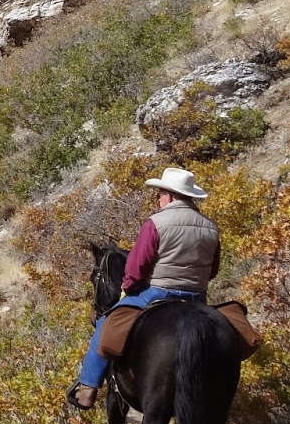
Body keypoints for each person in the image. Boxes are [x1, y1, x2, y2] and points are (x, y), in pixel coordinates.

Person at [68, 167, 220, 411]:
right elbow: (213, 270)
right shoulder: (211, 227)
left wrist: (128, 287)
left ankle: (87, 389)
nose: (158, 199)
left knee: (104, 324)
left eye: (160, 194)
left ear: (169, 196)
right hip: (197, 298)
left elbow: (136, 266)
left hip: (158, 292)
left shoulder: (156, 223)